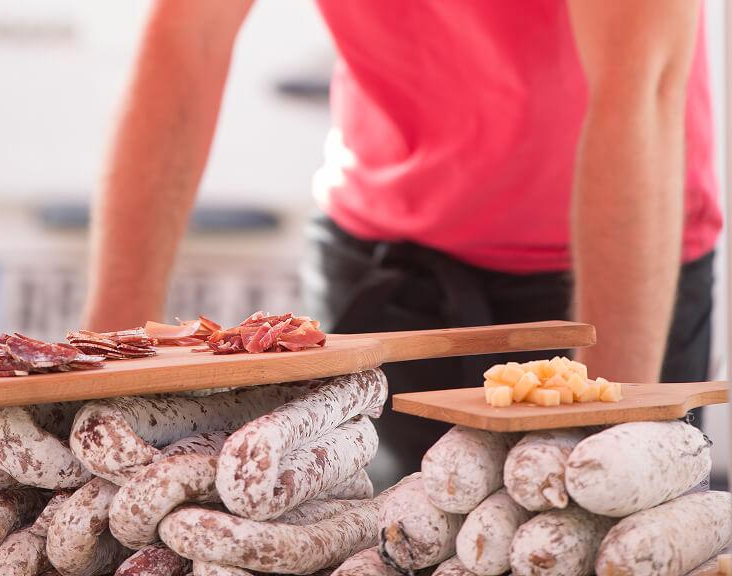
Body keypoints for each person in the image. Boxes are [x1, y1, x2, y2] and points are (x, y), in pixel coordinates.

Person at [83, 0, 721, 487]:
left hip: (619, 260)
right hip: (384, 250)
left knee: (600, 512)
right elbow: (187, 39)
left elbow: (640, 89)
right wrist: (101, 374)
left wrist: (607, 445)